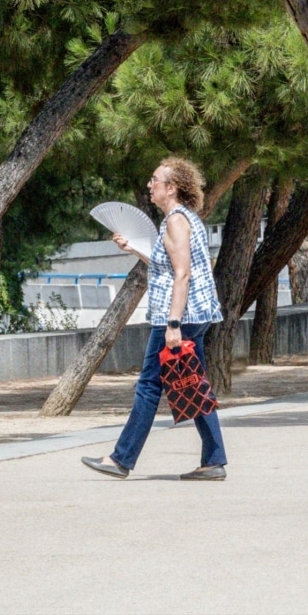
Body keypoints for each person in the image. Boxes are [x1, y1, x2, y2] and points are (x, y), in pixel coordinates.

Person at [81, 157, 228, 481]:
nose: (150, 185)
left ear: (172, 187)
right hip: (196, 314)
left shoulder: (176, 221)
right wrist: (133, 248)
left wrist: (173, 325)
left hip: (178, 317)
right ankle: (214, 460)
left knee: (149, 385)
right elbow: (167, 265)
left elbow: (182, 273)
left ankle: (120, 459)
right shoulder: (182, 218)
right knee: (193, 383)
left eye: (155, 180)